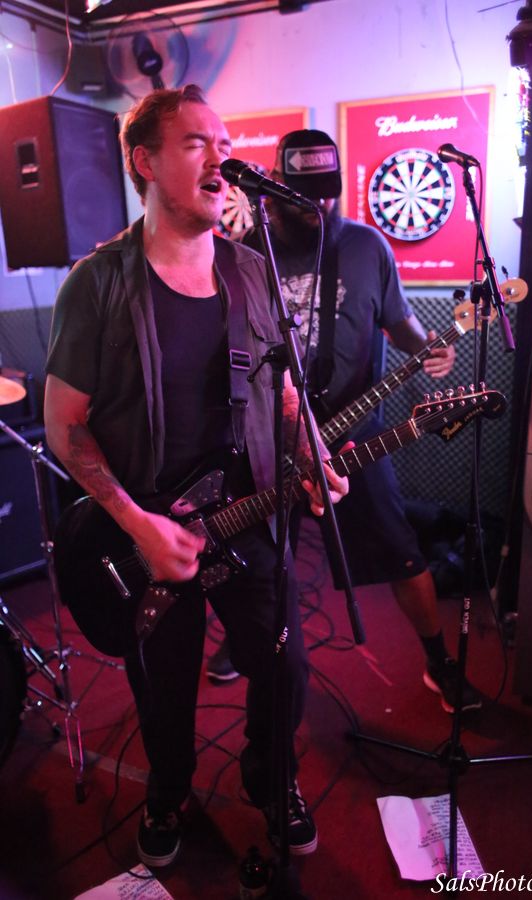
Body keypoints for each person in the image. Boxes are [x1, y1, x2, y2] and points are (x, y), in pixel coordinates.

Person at [44, 90, 348, 869]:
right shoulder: (98, 283)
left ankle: (269, 779)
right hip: (149, 530)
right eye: (195, 144)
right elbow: (65, 425)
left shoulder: (251, 272)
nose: (221, 158)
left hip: (249, 515)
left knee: (283, 667)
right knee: (166, 686)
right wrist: (138, 524)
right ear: (144, 162)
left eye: (225, 143)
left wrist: (310, 453)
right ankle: (169, 791)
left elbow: (283, 390)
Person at [208, 129, 482, 715]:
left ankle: (438, 660)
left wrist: (428, 347)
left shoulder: (365, 247)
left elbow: (400, 323)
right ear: (273, 190)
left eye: (328, 192)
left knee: (402, 550)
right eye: (305, 195)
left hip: (354, 431)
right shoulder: (243, 254)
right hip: (268, 439)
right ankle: (246, 638)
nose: (320, 204)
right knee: (261, 555)